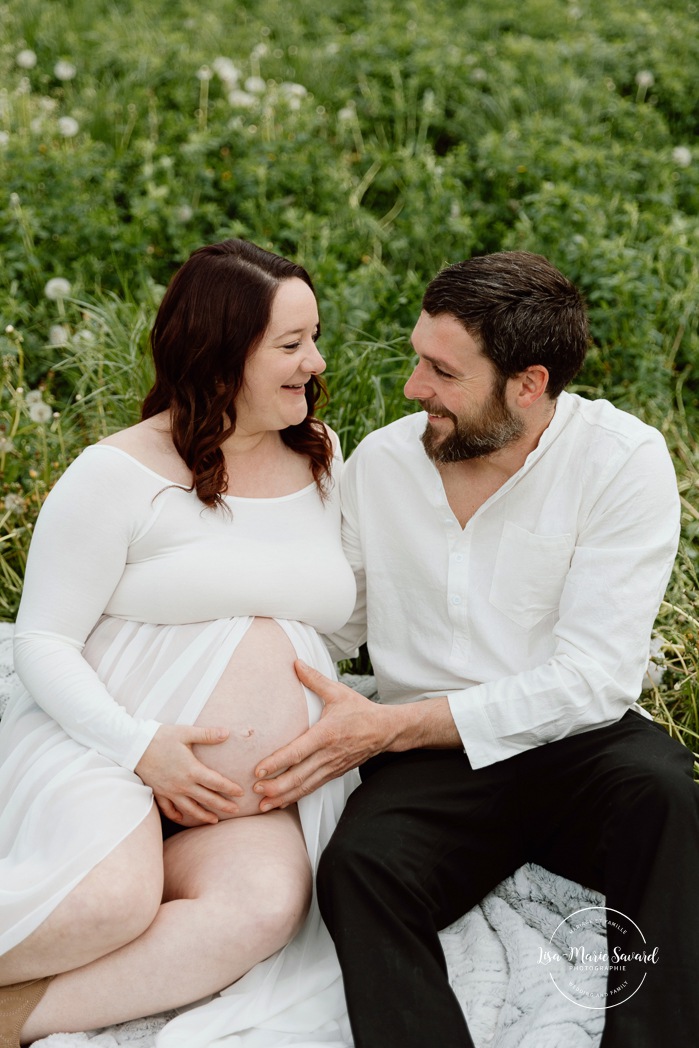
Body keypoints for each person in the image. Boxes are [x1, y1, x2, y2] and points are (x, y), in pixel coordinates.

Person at [254, 251, 699, 1048]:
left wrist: (391, 726)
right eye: (417, 357)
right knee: (358, 870)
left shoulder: (621, 461)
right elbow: (335, 624)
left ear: (528, 384)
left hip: (579, 745)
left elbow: (593, 679)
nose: (412, 387)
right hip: (429, 765)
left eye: (441, 371)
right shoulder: (383, 464)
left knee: (666, 796)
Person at [0, 238, 359, 1048]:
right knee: (108, 904)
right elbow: (43, 640)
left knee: (265, 907)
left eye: (314, 336)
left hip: (241, 797)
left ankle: (13, 1019)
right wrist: (140, 748)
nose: (316, 360)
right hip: (104, 743)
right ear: (222, 354)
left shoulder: (326, 456)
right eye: (291, 345)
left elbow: (347, 616)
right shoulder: (115, 474)